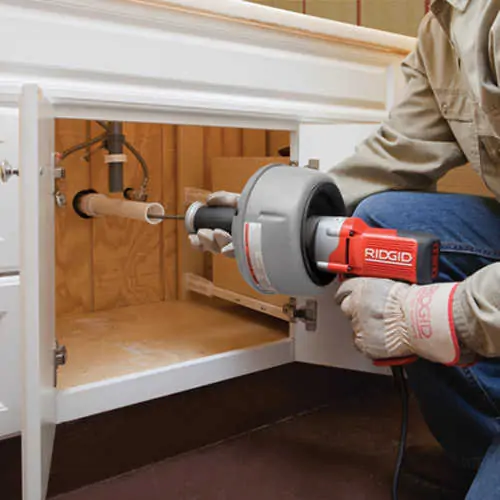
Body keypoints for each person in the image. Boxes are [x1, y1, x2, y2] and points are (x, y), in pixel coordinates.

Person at [189, 1, 500, 498]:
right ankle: (481, 444)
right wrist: (279, 216)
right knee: (381, 219)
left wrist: (432, 315)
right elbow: (398, 154)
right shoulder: (441, 27)